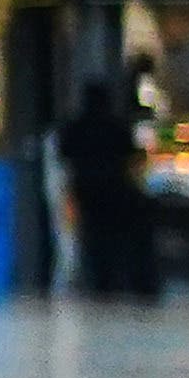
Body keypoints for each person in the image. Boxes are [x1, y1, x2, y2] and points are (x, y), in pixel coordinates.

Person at [57, 73, 155, 299]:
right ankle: (114, 279)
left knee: (92, 235)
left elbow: (63, 153)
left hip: (85, 188)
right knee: (114, 237)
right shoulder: (117, 126)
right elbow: (132, 155)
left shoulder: (75, 126)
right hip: (115, 188)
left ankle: (96, 281)